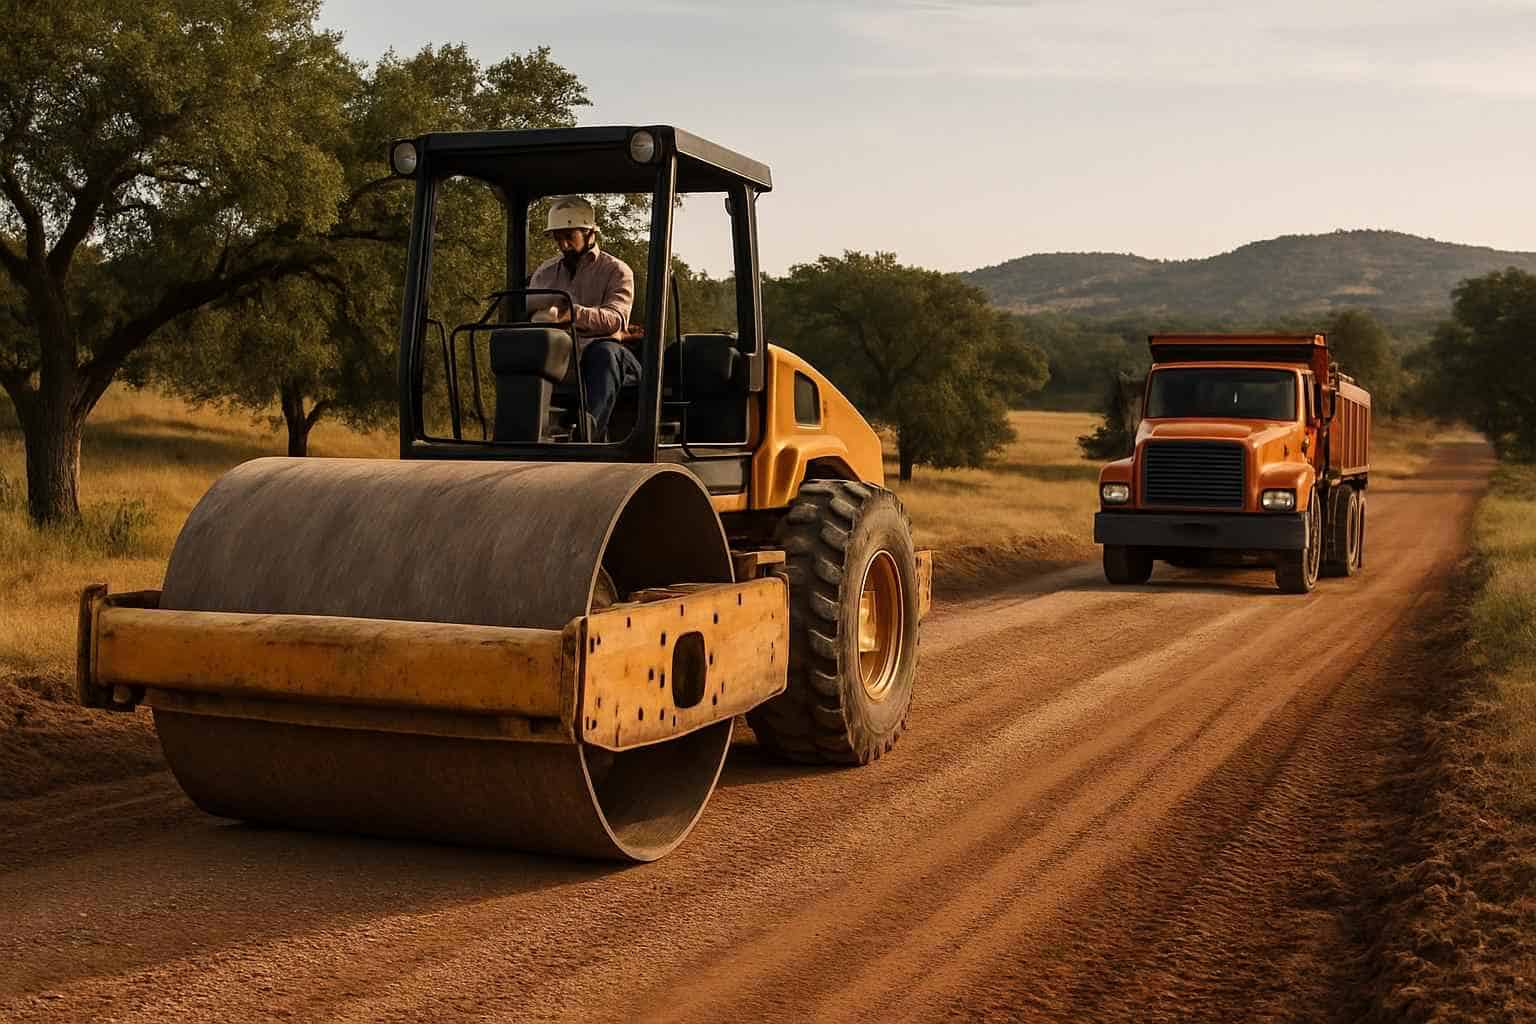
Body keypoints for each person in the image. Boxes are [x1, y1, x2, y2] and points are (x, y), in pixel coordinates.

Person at [527, 196, 637, 439]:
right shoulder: (545, 273)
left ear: (589, 233)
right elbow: (529, 310)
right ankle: (519, 436)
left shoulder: (617, 271)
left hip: (608, 361)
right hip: (562, 358)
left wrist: (573, 314)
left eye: (569, 236)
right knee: (524, 346)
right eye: (558, 238)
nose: (563, 245)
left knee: (605, 352)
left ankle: (588, 437)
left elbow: (617, 319)